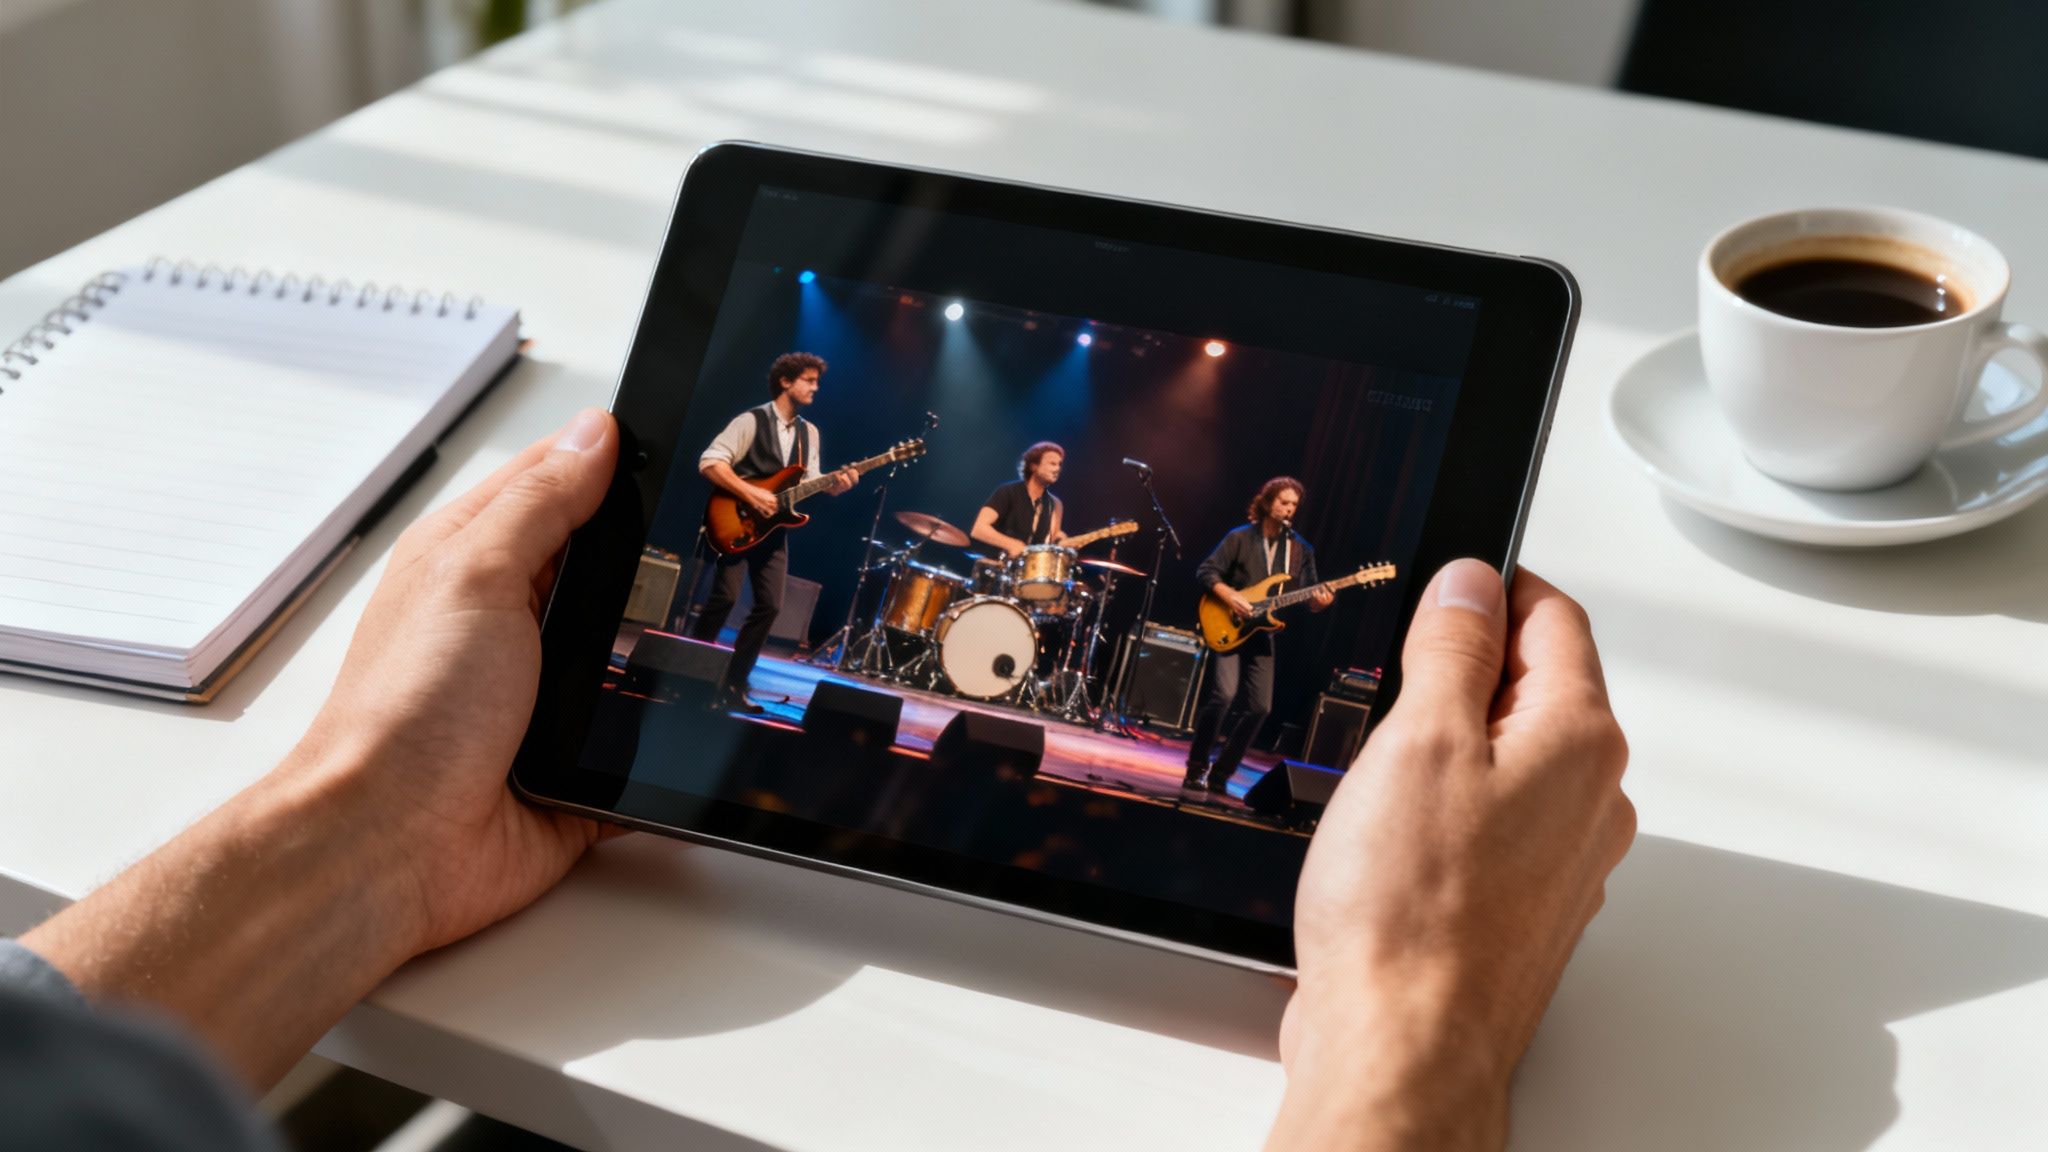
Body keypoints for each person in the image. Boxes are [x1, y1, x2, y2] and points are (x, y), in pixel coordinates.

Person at [0, 409, 1633, 1151]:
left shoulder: (1116, 518)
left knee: (1171, 664)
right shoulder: (910, 466)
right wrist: (1415, 1039)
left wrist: (368, 812)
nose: (1054, 475)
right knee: (745, 607)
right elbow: (979, 537)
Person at [692, 352, 858, 712]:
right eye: (810, 381)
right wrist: (750, 492)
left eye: (817, 382)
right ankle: (689, 675)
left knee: (770, 606)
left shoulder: (808, 432)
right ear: (786, 381)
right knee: (723, 599)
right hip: (735, 521)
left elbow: (810, 479)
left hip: (773, 531)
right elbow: (710, 460)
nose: (817, 388)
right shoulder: (750, 420)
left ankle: (734, 685)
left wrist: (836, 485)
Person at [1185, 476, 1334, 795]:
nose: (1290, 509)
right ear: (1267, 503)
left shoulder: (1300, 549)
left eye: (1294, 504)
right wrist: (1230, 596)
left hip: (1262, 632)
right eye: (1284, 502)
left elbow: (1309, 596)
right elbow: (1206, 571)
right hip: (1228, 623)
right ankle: (1196, 767)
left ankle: (1220, 774)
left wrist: (1320, 602)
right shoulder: (1239, 538)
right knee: (1223, 695)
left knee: (1261, 708)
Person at [970, 440, 1067, 558]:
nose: (1057, 469)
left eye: (1059, 464)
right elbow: (978, 529)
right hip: (996, 566)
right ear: (1034, 466)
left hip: (1028, 572)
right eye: (1052, 464)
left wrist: (1062, 540)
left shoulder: (1055, 504)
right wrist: (1010, 544)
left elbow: (1052, 539)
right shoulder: (1008, 491)